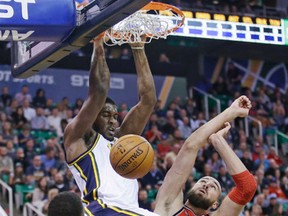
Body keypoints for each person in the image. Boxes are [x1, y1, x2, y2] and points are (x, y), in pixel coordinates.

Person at [63, 37, 158, 215]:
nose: (113, 120)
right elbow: (99, 89)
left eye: (115, 116)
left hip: (130, 210)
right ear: (92, 117)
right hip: (102, 209)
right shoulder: (80, 138)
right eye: (106, 115)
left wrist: (138, 46)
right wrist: (98, 41)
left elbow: (148, 100)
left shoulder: (122, 140)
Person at [154, 96, 257, 216]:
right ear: (191, 188)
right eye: (202, 181)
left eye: (213, 187)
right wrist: (231, 112)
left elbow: (247, 187)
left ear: (215, 204)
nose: (206, 184)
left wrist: (218, 141)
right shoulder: (169, 203)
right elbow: (190, 146)